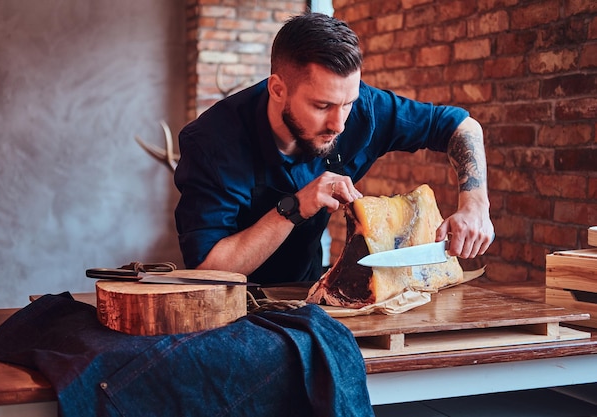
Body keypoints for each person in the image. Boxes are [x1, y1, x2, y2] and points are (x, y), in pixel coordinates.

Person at [174, 12, 495, 286]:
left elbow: (460, 126)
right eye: (322, 105)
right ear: (278, 89)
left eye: (347, 104)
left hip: (305, 290)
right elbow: (206, 272)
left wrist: (475, 204)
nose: (339, 124)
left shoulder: (365, 110)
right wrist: (295, 207)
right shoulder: (213, 143)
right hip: (232, 304)